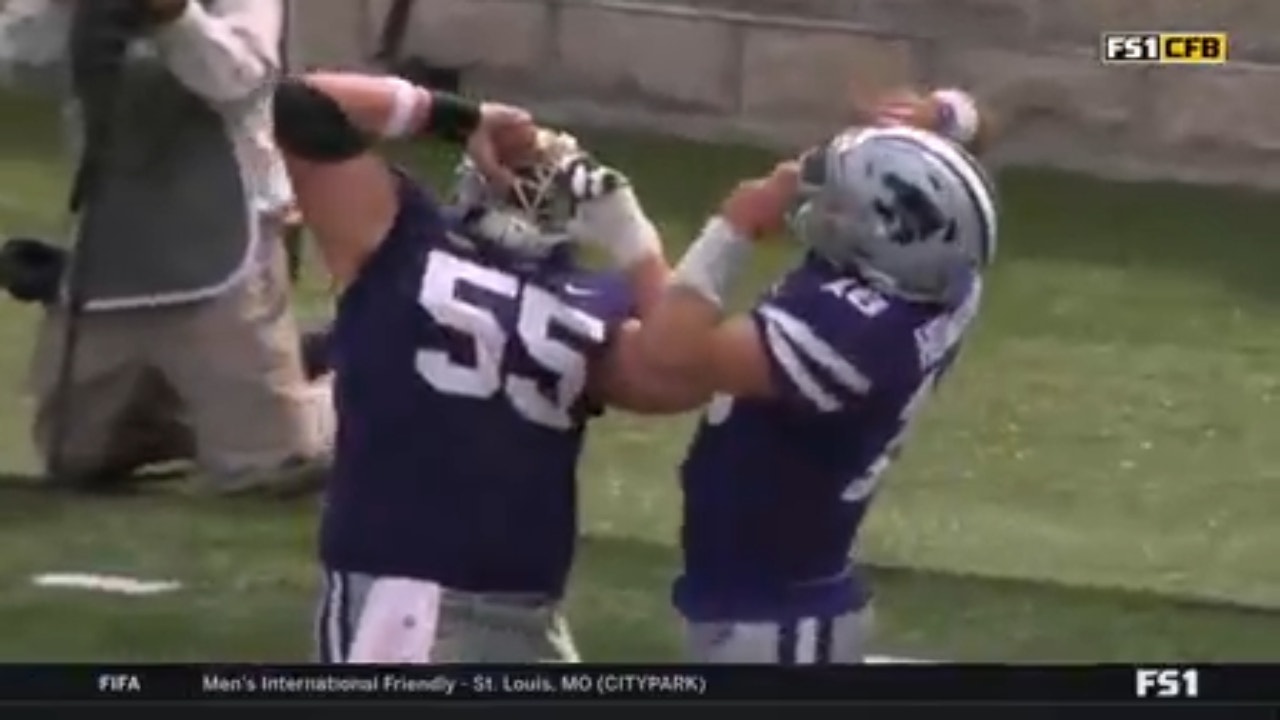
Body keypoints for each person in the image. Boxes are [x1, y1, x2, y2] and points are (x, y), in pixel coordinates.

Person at [274, 71, 698, 663]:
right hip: (403, 597)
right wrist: (458, 116)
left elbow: (686, 373)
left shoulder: (586, 296)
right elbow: (303, 103)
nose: (535, 166)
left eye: (546, 159)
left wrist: (635, 239)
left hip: (527, 607)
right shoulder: (404, 235)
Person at [631, 91, 998, 663]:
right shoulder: (942, 280)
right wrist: (946, 117)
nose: (826, 206)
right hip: (780, 606)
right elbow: (941, 182)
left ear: (882, 233)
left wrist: (735, 225)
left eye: (844, 205)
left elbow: (667, 352)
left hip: (778, 628)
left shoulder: (847, 334)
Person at [0, 0, 330, 494]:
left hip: (223, 239)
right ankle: (204, 401)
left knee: (267, 464)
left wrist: (174, 17)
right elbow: (19, 64)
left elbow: (241, 77)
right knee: (73, 457)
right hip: (112, 239)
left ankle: (345, 395)